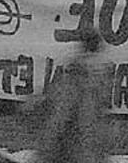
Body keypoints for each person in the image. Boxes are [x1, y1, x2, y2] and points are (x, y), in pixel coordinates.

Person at [31, 28, 115, 163]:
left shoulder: (77, 65)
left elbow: (65, 104)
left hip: (76, 120)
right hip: (92, 120)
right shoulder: (105, 65)